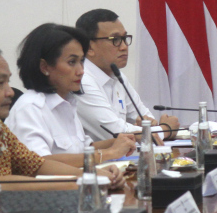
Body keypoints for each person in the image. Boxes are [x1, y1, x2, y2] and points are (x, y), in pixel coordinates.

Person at [0, 42, 123, 213]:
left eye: (8, 82)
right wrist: (81, 181)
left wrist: (93, 173)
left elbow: (37, 165)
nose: (9, 92)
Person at [5, 23, 136, 165]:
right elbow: (40, 163)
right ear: (45, 67)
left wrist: (118, 141)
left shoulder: (68, 102)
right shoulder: (30, 107)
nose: (81, 71)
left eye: (81, 61)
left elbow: (83, 150)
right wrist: (110, 153)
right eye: (72, 62)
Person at [73, 8, 179, 141]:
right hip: (96, 160)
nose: (124, 46)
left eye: (124, 38)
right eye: (115, 39)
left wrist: (149, 124)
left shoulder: (118, 76)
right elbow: (116, 132)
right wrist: (166, 129)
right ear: (89, 48)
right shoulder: (80, 80)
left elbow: (145, 117)